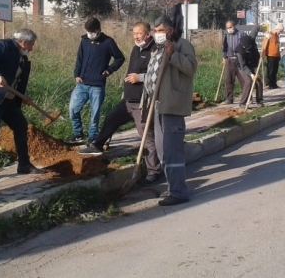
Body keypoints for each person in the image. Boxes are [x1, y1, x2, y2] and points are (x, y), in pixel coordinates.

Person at [79, 22, 161, 185]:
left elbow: (159, 75)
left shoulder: (155, 50)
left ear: (148, 34)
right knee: (111, 119)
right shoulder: (136, 48)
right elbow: (130, 71)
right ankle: (97, 145)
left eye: (139, 33)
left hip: (143, 102)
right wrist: (125, 92)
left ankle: (153, 171)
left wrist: (141, 78)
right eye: (134, 33)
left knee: (147, 136)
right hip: (128, 100)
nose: (136, 36)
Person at [0, 28, 46, 184]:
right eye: (31, 44)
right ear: (23, 42)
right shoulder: (3, 46)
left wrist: (23, 97)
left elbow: (16, 80)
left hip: (9, 100)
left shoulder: (22, 58)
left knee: (21, 126)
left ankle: (24, 165)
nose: (32, 48)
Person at [144, 15, 197, 206]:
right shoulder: (157, 49)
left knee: (172, 151)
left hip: (172, 106)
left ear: (170, 31)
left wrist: (173, 54)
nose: (156, 34)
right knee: (161, 151)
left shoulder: (182, 45)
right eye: (155, 30)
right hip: (158, 107)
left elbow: (191, 68)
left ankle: (179, 192)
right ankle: (172, 187)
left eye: (160, 30)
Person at [66, 18, 125, 145]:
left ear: (99, 30)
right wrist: (77, 74)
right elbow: (79, 58)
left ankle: (93, 137)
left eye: (92, 31)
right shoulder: (84, 41)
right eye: (88, 31)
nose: (90, 33)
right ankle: (78, 135)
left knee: (95, 114)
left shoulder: (108, 42)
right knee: (73, 109)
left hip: (97, 85)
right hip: (82, 83)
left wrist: (109, 70)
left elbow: (120, 58)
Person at [221, 20, 247, 104]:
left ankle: (246, 98)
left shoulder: (241, 34)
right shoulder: (226, 36)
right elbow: (225, 48)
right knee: (229, 80)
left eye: (230, 27)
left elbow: (246, 44)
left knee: (243, 80)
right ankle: (229, 98)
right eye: (227, 28)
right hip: (229, 59)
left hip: (239, 60)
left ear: (234, 26)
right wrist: (224, 57)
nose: (229, 29)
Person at [235, 35, 264, 108]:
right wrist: (251, 75)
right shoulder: (239, 51)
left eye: (246, 47)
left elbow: (257, 57)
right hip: (242, 67)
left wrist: (256, 69)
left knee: (258, 81)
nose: (244, 48)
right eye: (244, 46)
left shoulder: (253, 46)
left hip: (253, 65)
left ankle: (259, 100)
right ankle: (243, 103)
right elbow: (243, 66)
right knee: (248, 82)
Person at [262, 24, 284, 89]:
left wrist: (279, 55)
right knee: (270, 70)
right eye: (280, 31)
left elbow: (277, 47)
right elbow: (264, 44)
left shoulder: (277, 36)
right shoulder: (269, 34)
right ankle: (269, 84)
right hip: (270, 55)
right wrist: (263, 53)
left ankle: (274, 83)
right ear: (277, 29)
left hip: (276, 55)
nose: (280, 33)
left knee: (275, 70)